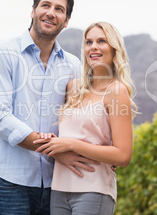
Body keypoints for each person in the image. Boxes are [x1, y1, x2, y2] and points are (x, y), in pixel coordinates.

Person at [0, 0, 98, 215]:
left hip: (57, 183)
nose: (51, 12)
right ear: (33, 11)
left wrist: (103, 148)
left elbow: (81, 116)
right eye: (46, 5)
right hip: (9, 182)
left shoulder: (73, 65)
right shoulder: (2, 54)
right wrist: (54, 150)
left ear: (66, 22)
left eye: (59, 9)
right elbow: (0, 118)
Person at [34, 21, 137, 215]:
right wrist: (54, 143)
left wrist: (71, 145)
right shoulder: (73, 88)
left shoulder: (116, 91)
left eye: (101, 41)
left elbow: (123, 156)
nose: (94, 47)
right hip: (59, 189)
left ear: (114, 48)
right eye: (89, 42)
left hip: (94, 189)